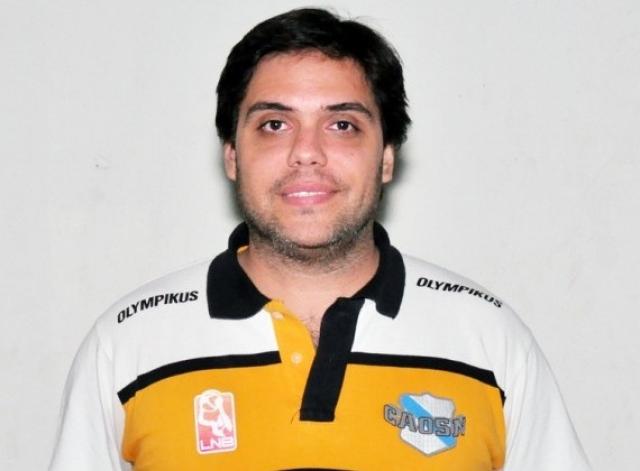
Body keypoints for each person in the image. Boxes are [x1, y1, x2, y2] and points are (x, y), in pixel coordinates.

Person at [50, 8, 591, 470]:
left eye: (342, 125)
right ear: (232, 155)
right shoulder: (129, 344)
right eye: (274, 124)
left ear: (386, 157)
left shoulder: (488, 341)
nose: (306, 153)